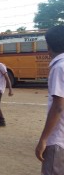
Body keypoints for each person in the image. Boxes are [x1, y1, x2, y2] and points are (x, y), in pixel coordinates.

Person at [35, 25, 64, 175]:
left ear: (49, 46)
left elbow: (58, 107)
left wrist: (43, 139)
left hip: (58, 138)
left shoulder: (59, 67)